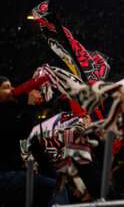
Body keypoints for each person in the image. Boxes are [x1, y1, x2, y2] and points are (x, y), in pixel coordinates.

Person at [0, 76, 60, 207]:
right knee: (53, 188)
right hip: (4, 176)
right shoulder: (4, 115)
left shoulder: (9, 111)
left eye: (11, 86)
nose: (12, 90)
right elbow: (21, 130)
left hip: (11, 174)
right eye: (6, 87)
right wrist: (30, 104)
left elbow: (28, 136)